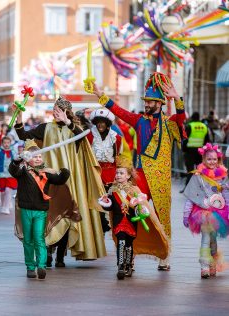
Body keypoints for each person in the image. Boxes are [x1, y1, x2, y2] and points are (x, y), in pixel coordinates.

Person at [89, 72, 186, 270]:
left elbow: (181, 117)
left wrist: (177, 98)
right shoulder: (139, 119)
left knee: (162, 214)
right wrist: (99, 94)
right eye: (146, 101)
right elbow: (119, 111)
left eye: (150, 102)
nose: (147, 104)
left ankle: (164, 256)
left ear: (159, 103)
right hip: (140, 173)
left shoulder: (169, 123)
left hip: (161, 177)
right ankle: (129, 254)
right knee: (129, 208)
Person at [14, 96, 106, 263]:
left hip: (70, 178)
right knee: (51, 213)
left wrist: (68, 122)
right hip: (49, 177)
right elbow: (24, 136)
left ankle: (60, 256)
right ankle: (48, 253)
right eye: (55, 110)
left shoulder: (75, 129)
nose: (56, 113)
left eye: (59, 110)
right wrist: (19, 119)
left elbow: (82, 138)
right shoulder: (45, 128)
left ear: (66, 112)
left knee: (67, 214)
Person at [9, 139, 70, 279]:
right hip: (25, 210)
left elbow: (60, 179)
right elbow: (13, 170)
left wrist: (65, 171)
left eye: (39, 156)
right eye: (34, 156)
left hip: (41, 211)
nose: (37, 159)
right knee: (28, 240)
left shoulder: (46, 173)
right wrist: (17, 160)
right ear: (27, 159)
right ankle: (30, 267)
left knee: (39, 238)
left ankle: (41, 266)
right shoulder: (23, 172)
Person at [99, 157, 169, 280]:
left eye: (121, 173)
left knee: (129, 244)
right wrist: (106, 202)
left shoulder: (134, 190)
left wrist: (138, 205)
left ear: (128, 176)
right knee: (121, 242)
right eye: (117, 173)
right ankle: (120, 266)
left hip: (131, 222)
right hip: (119, 222)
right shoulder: (112, 190)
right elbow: (110, 208)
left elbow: (141, 207)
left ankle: (128, 265)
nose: (118, 175)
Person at [183, 143, 229, 278]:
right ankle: (204, 266)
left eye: (214, 159)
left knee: (213, 240)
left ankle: (213, 263)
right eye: (209, 159)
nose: (212, 162)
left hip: (219, 214)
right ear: (204, 160)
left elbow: (226, 195)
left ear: (219, 160)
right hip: (202, 213)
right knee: (205, 238)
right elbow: (191, 197)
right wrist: (186, 215)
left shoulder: (222, 176)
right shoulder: (198, 176)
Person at [180, 112, 209, 193]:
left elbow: (185, 139)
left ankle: (187, 188)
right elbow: (207, 140)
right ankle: (200, 188)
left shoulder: (189, 126)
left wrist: (184, 150)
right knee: (200, 170)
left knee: (190, 171)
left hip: (189, 152)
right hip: (200, 152)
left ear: (192, 117)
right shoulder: (204, 126)